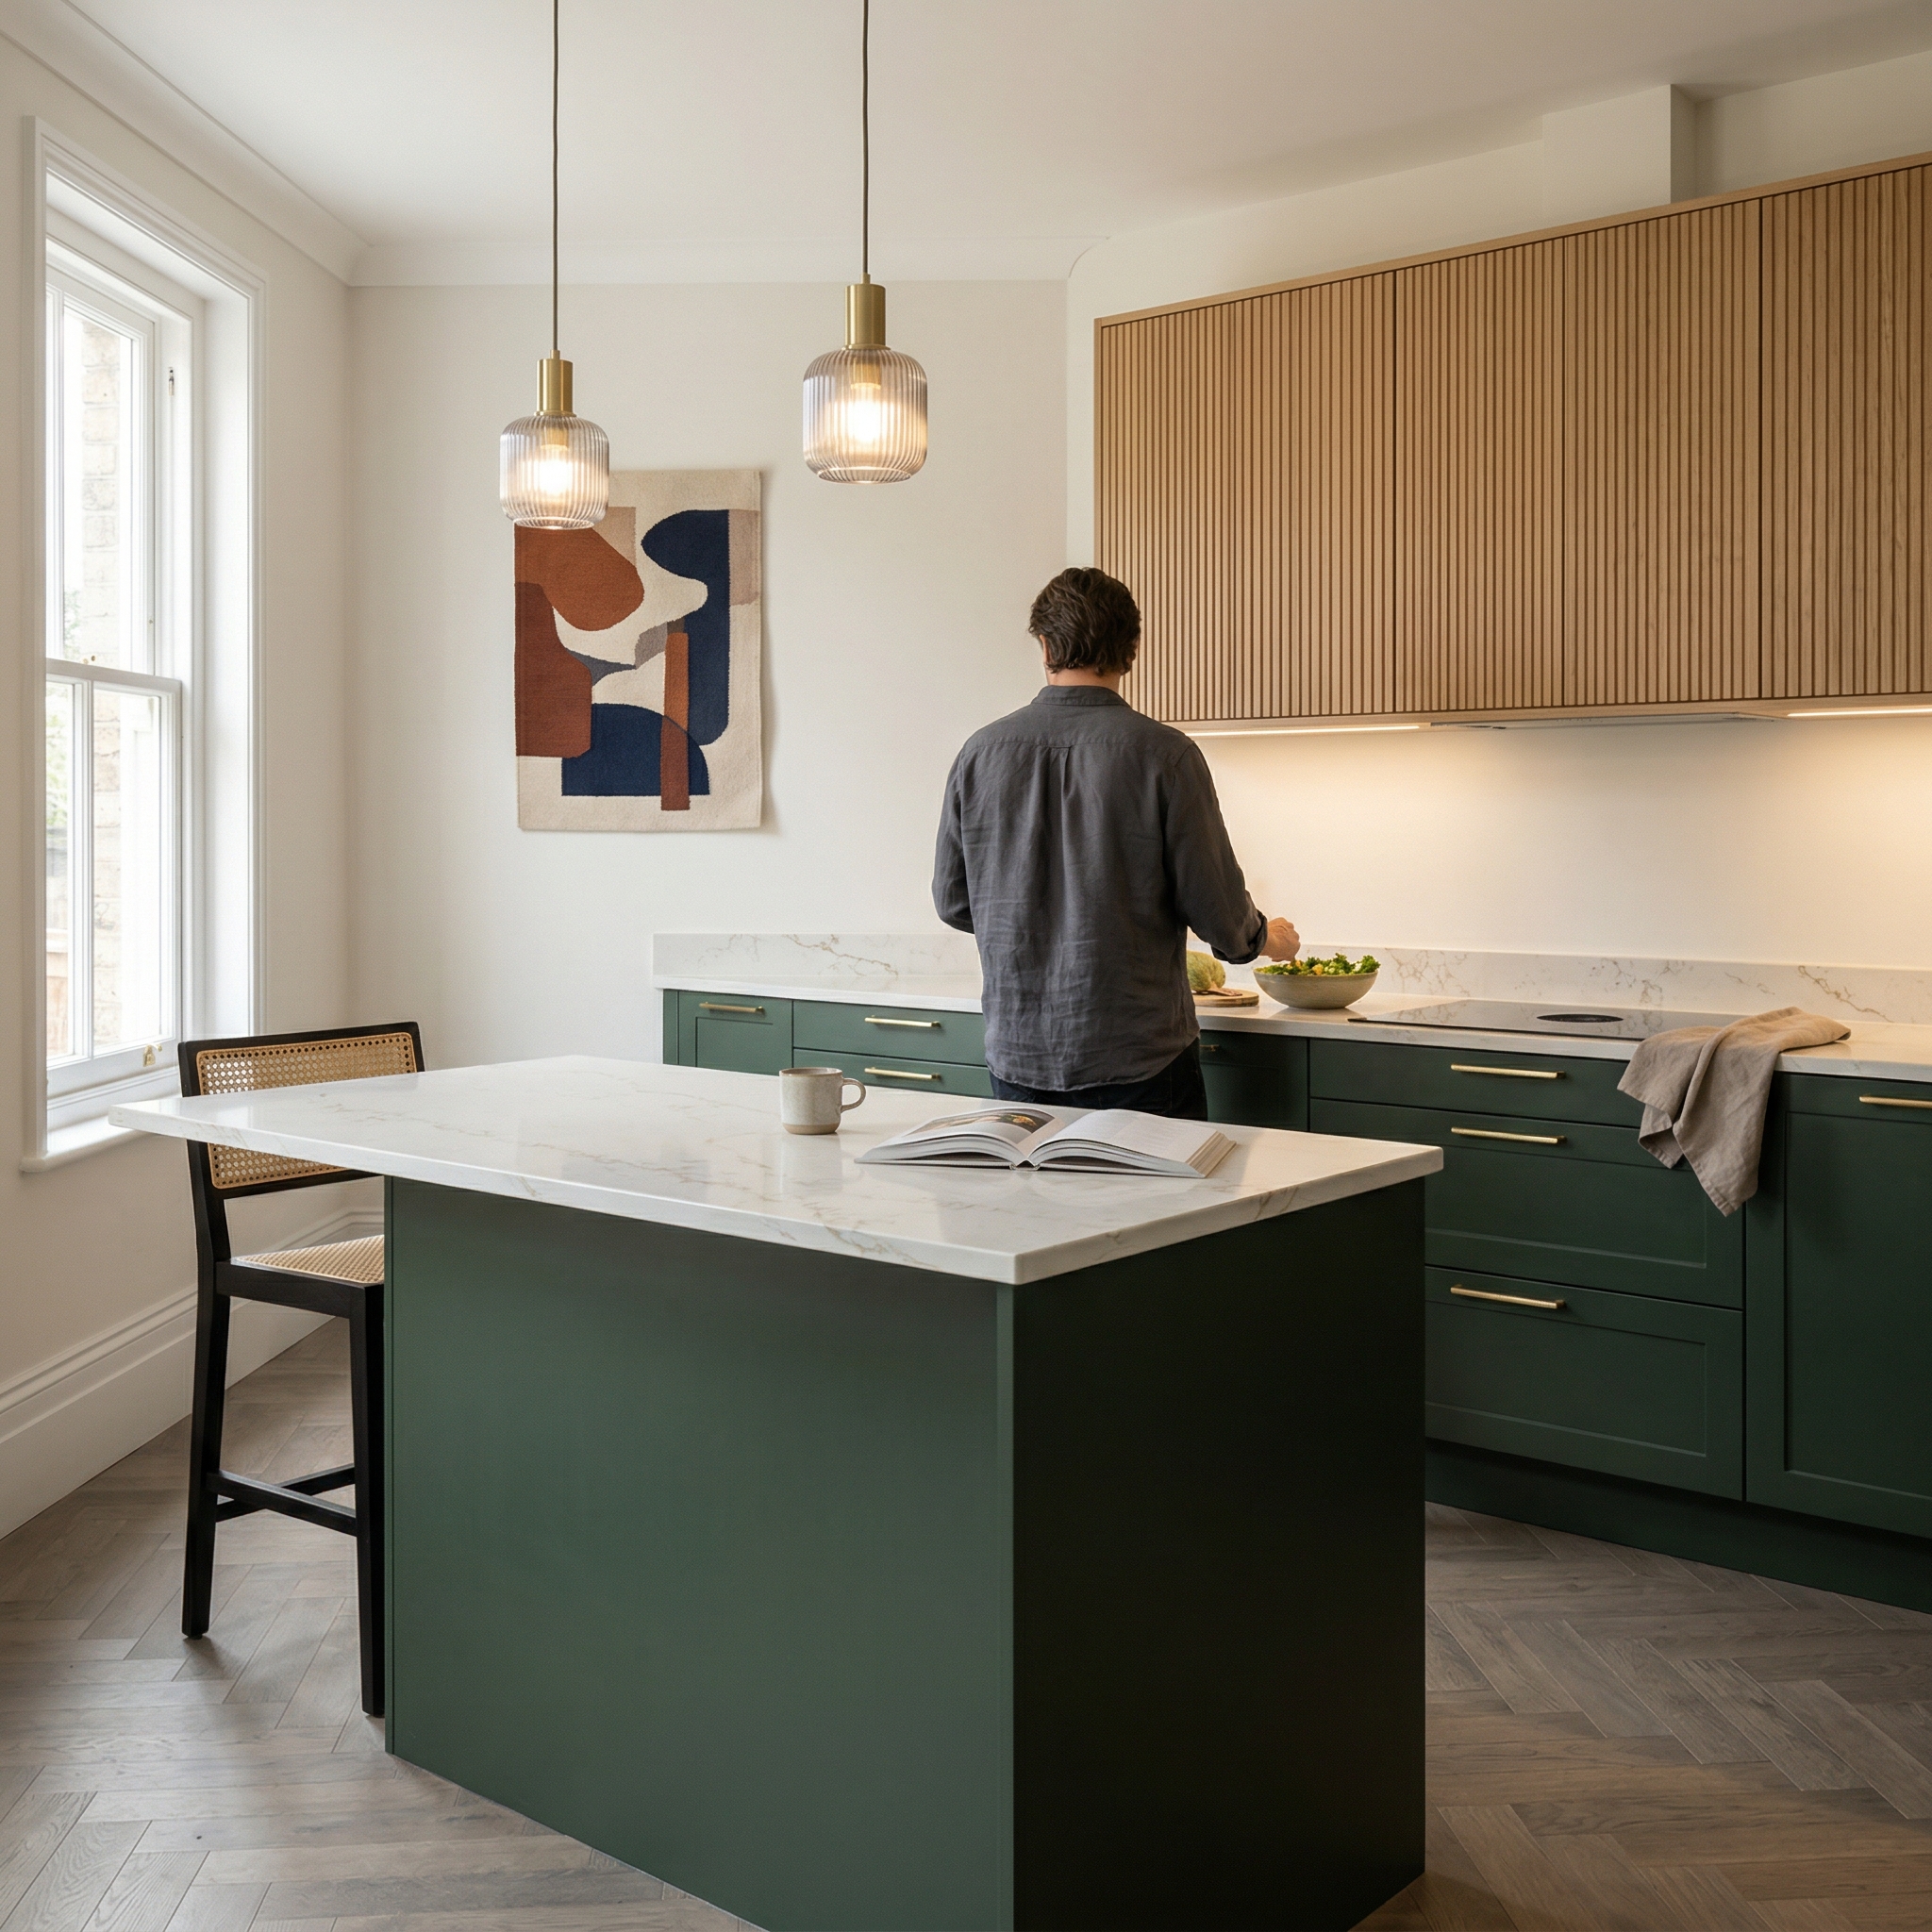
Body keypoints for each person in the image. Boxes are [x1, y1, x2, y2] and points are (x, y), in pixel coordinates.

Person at [932, 567, 1299, 1121]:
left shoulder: (980, 752)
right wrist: (1265, 940)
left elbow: (954, 902)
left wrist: (1037, 926)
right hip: (1139, 1062)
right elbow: (1219, 912)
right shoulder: (1165, 755)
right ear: (1131, 650)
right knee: (1155, 1209)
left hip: (1018, 1058)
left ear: (1046, 644)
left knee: (1033, 1207)